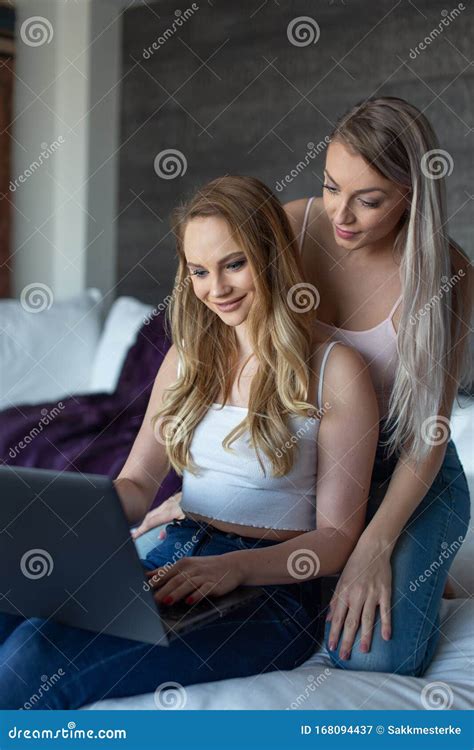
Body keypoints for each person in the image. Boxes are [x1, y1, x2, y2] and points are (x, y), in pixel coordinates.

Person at [0, 176, 378, 709]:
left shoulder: (333, 370)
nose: (215, 289)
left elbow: (338, 536)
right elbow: (136, 486)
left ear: (271, 256)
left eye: (233, 264)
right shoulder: (186, 359)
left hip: (270, 591)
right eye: (199, 271)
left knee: (35, 662)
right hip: (177, 552)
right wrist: (56, 514)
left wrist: (236, 567)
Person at [136, 96, 472, 677]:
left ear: (411, 197)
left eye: (368, 201)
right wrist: (209, 495)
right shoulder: (296, 224)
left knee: (371, 655)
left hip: (402, 468)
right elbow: (238, 321)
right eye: (332, 185)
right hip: (311, 463)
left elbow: (428, 436)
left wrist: (374, 546)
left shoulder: (445, 277)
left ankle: (428, 568)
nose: (341, 213)